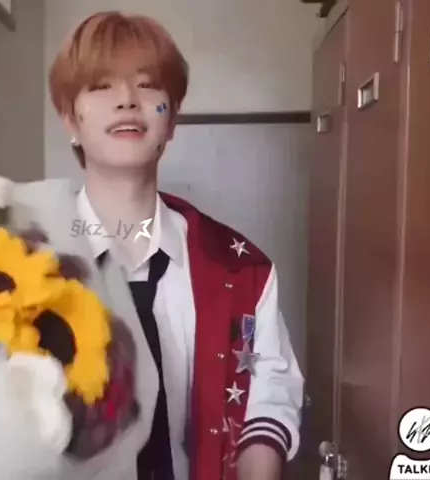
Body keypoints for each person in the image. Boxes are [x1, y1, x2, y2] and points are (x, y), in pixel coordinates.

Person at [48, 11, 304, 480]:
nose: (127, 100)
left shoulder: (241, 272)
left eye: (147, 85)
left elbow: (268, 396)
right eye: (102, 86)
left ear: (172, 119)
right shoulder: (29, 262)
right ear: (70, 118)